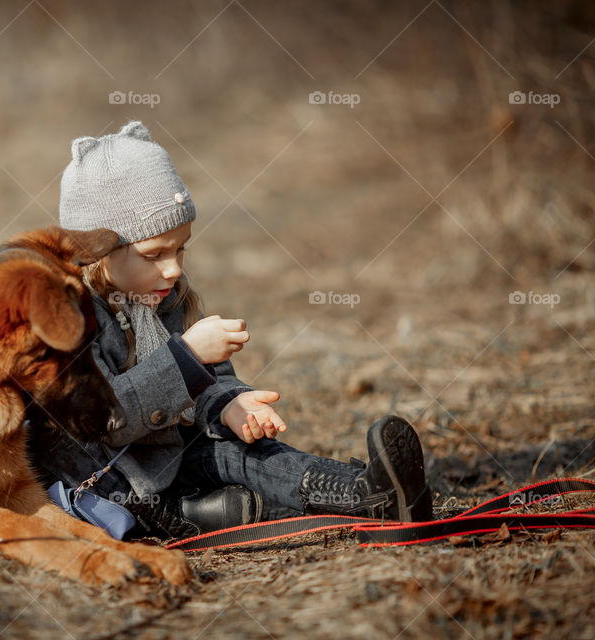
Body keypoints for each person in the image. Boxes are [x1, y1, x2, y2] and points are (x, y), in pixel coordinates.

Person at [29, 120, 432, 539]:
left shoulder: (164, 295)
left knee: (250, 452)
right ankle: (222, 511)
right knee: (234, 472)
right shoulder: (72, 321)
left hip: (174, 457)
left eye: (181, 247)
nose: (174, 268)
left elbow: (213, 382)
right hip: (120, 486)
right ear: (98, 254)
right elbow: (108, 420)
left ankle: (369, 495)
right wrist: (186, 358)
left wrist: (229, 405)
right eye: (154, 253)